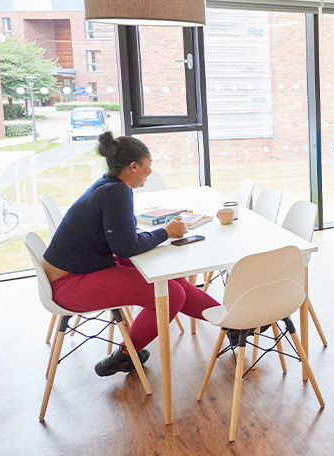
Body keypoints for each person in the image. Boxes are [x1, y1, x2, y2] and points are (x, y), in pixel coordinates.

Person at [42, 132, 221, 377]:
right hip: (69, 284)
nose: (149, 172)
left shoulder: (106, 184)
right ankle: (126, 356)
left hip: (78, 270)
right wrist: (165, 232)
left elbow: (121, 239)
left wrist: (153, 233)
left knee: (169, 279)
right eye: (148, 166)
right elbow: (126, 248)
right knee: (170, 294)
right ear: (133, 166)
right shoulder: (117, 192)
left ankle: (229, 322)